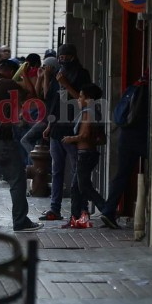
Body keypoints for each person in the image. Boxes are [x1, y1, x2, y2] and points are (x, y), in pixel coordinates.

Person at [0, 59, 43, 232]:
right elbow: (32, 95)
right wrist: (25, 75)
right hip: (1, 142)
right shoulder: (7, 83)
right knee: (17, 181)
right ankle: (20, 221)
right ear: (11, 71)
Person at [41, 44, 91, 221]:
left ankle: (81, 208)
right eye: (60, 57)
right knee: (57, 171)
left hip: (73, 129)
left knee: (78, 170)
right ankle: (55, 208)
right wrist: (47, 77)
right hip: (56, 128)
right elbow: (50, 98)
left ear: (73, 56)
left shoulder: (81, 74)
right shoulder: (58, 73)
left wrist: (66, 84)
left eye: (66, 57)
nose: (63, 60)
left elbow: (82, 100)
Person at [101, 73, 149, 229]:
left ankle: (108, 211)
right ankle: (147, 217)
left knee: (121, 175)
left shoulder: (133, 87)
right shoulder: (151, 92)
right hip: (142, 137)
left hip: (125, 136)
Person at [61, 83, 106, 228]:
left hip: (85, 155)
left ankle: (107, 210)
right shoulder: (95, 111)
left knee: (84, 187)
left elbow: (85, 134)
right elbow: (101, 138)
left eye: (81, 96)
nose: (78, 99)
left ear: (88, 98)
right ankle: (75, 218)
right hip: (88, 154)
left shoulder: (89, 112)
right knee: (76, 187)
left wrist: (70, 138)